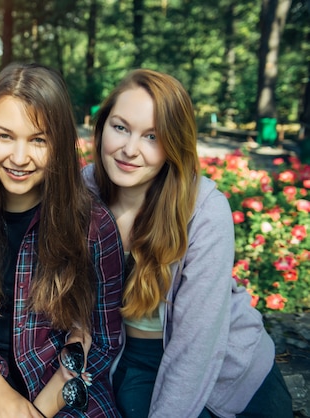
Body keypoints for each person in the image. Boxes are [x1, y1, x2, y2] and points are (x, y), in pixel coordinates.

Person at [82, 68, 293, 418]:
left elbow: (197, 345)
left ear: (173, 144)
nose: (130, 150)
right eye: (120, 127)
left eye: (152, 136)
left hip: (222, 369)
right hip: (123, 356)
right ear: (102, 125)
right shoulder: (83, 192)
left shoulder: (204, 210)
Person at [0, 62, 124, 417]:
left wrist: (38, 410)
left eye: (38, 140)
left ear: (61, 143)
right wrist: (1, 397)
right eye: (4, 136)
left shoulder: (93, 225)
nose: (19, 158)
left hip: (60, 388)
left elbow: (102, 342)